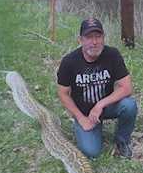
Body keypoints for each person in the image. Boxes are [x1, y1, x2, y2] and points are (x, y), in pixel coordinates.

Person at [56, 17, 138, 158]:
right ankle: (84, 128)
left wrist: (100, 104)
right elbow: (63, 93)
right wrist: (81, 118)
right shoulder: (69, 62)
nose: (94, 42)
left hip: (106, 107)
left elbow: (127, 88)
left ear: (103, 38)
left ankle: (122, 140)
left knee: (129, 105)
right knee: (91, 152)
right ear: (80, 40)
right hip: (85, 113)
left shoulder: (112, 55)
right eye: (89, 37)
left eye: (98, 36)